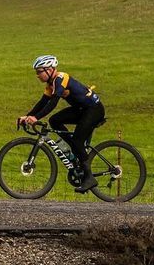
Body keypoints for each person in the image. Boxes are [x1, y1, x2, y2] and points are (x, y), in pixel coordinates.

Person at [18, 55, 105, 193]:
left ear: (50, 69)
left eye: (39, 71)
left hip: (94, 110)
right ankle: (76, 150)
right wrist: (28, 116)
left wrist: (36, 117)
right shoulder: (50, 84)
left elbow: (53, 102)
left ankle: (89, 178)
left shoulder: (61, 78)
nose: (37, 75)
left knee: (77, 141)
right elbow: (42, 102)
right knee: (54, 121)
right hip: (82, 110)